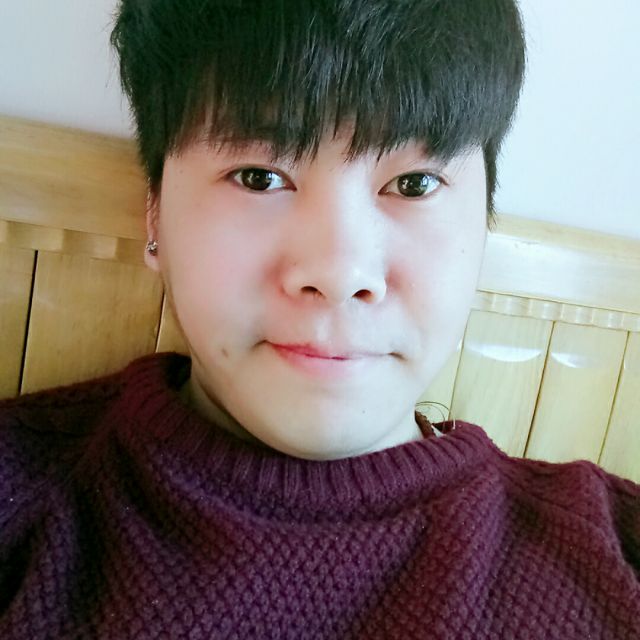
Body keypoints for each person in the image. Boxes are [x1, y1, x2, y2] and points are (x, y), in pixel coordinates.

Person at [1, 0, 638, 638]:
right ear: (155, 216)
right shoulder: (22, 503)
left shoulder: (613, 550)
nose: (338, 273)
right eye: (258, 177)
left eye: (414, 185)